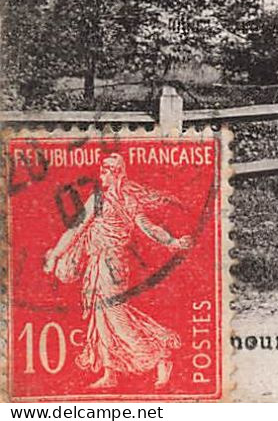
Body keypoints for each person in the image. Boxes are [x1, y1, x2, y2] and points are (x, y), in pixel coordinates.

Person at [43, 154, 193, 390]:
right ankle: (109, 372)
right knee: (100, 319)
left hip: (111, 266)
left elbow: (149, 229)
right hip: (102, 263)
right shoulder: (107, 199)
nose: (102, 174)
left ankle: (160, 355)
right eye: (102, 170)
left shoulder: (109, 200)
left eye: (106, 170)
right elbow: (76, 230)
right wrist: (55, 254)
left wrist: (173, 242)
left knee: (116, 318)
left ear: (116, 173)